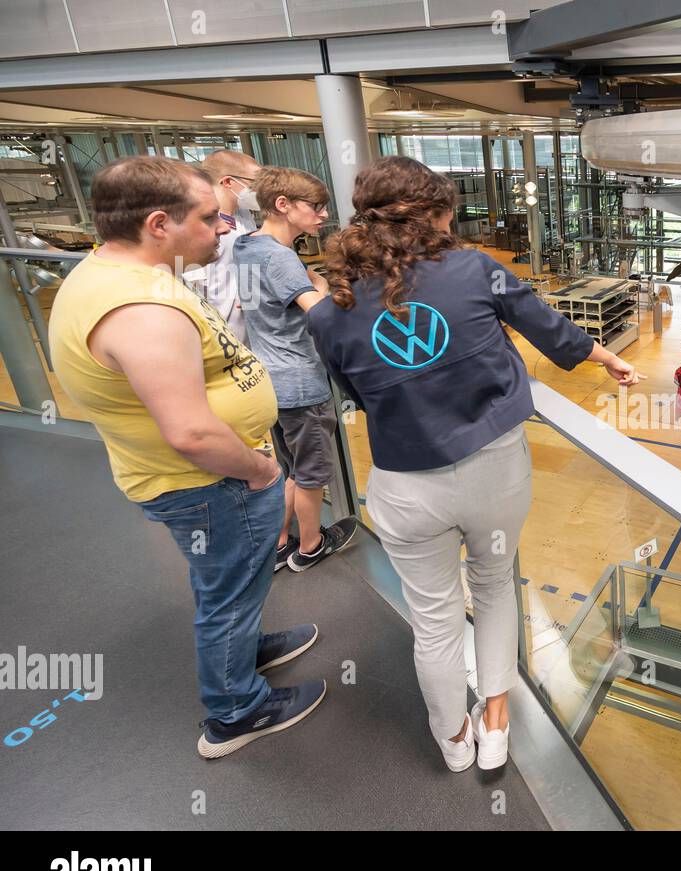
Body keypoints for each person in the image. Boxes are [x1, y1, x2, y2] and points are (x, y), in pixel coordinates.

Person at [310, 156, 642, 772]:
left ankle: (451, 739)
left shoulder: (330, 309)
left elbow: (354, 392)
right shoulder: (472, 271)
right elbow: (547, 327)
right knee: (492, 589)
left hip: (404, 485)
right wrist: (604, 357)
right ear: (433, 216)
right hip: (491, 469)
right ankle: (496, 720)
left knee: (433, 622)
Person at [48, 155, 326, 759]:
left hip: (195, 481)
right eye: (208, 218)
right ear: (157, 224)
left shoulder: (115, 276)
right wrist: (263, 470)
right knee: (226, 594)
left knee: (230, 585)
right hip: (208, 482)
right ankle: (236, 711)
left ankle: (246, 649)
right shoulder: (141, 310)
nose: (224, 228)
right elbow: (191, 433)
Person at [230, 166, 359, 573]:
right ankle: (310, 546)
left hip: (269, 379)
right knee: (312, 475)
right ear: (283, 206)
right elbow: (320, 315)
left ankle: (279, 541)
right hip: (301, 383)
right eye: (315, 207)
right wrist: (322, 289)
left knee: (291, 469)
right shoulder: (280, 257)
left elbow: (260, 301)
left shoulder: (246, 246)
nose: (323, 215)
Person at [180, 148, 263, 342]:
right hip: (221, 330)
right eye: (256, 183)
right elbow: (193, 287)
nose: (262, 190)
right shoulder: (198, 227)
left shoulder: (243, 216)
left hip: (251, 326)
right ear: (227, 182)